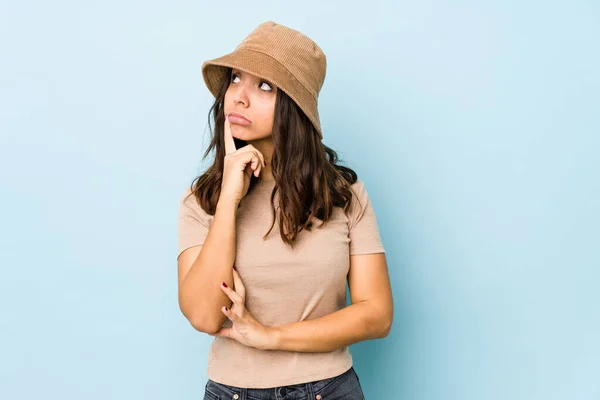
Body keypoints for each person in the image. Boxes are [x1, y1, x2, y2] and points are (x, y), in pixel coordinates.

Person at [177, 21, 393, 400]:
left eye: (264, 86)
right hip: (234, 392)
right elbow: (203, 316)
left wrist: (271, 337)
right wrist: (229, 198)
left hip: (330, 389)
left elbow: (377, 313)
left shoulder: (344, 195)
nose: (239, 97)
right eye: (236, 79)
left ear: (295, 107)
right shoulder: (203, 199)